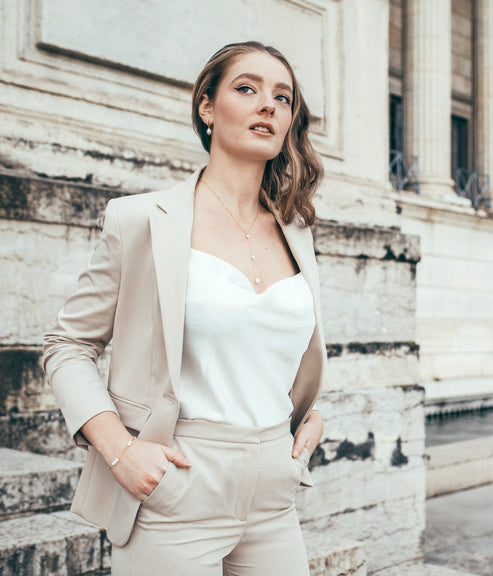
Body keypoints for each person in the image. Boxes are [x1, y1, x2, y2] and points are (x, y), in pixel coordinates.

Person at [42, 41, 327, 576]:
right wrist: (119, 449)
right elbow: (68, 345)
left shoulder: (298, 229)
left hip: (274, 489)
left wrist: (310, 416)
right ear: (207, 107)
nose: (269, 105)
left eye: (283, 98)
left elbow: (278, 348)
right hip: (177, 482)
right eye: (247, 89)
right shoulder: (140, 219)